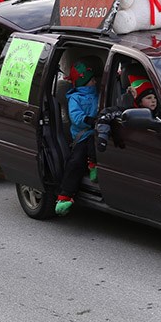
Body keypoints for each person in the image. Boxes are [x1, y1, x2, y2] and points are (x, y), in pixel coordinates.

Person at [55, 57, 102, 215]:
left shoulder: (98, 93)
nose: (94, 82)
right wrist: (88, 120)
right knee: (75, 163)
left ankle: (94, 165)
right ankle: (65, 196)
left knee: (94, 143)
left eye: (95, 79)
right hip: (82, 135)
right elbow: (75, 117)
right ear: (83, 83)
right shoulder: (74, 98)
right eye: (91, 80)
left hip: (97, 132)